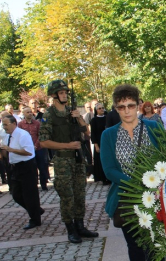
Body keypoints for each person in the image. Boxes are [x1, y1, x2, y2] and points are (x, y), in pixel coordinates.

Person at [101, 84, 166, 261]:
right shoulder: (108, 134)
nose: (127, 110)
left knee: (156, 248)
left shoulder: (153, 127)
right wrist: (134, 181)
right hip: (127, 199)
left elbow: (165, 158)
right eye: (121, 106)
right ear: (116, 108)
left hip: (155, 196)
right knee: (135, 247)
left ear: (139, 105)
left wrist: (153, 181)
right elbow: (109, 169)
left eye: (131, 105)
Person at [39, 79, 99, 243]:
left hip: (78, 160)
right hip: (62, 161)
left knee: (80, 195)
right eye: (61, 92)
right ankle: (70, 229)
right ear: (54, 95)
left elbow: (86, 133)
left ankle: (80, 226)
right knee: (67, 196)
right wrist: (67, 145)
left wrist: (79, 118)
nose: (64, 95)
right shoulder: (49, 115)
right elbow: (43, 142)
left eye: (66, 92)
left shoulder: (72, 112)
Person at [1, 115, 44, 229]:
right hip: (14, 167)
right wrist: (3, 150)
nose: (4, 127)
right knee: (16, 194)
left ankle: (35, 219)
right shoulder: (7, 136)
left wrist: (11, 149)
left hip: (26, 167)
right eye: (3, 124)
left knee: (29, 195)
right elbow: (7, 154)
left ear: (14, 124)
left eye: (6, 124)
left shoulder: (22, 134)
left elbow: (29, 152)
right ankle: (36, 210)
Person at [18, 106, 49, 190]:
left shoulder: (37, 123)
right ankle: (34, 185)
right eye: (27, 112)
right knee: (31, 169)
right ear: (23, 114)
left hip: (38, 149)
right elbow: (19, 137)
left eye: (30, 112)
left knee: (42, 167)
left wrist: (36, 145)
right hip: (28, 150)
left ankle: (44, 185)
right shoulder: (20, 124)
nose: (29, 113)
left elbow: (40, 135)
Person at [90, 103, 110, 185]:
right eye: (99, 108)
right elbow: (93, 133)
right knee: (101, 161)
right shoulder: (94, 120)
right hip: (99, 142)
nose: (102, 109)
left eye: (102, 108)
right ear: (96, 110)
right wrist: (96, 145)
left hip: (107, 142)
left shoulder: (107, 118)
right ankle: (103, 178)